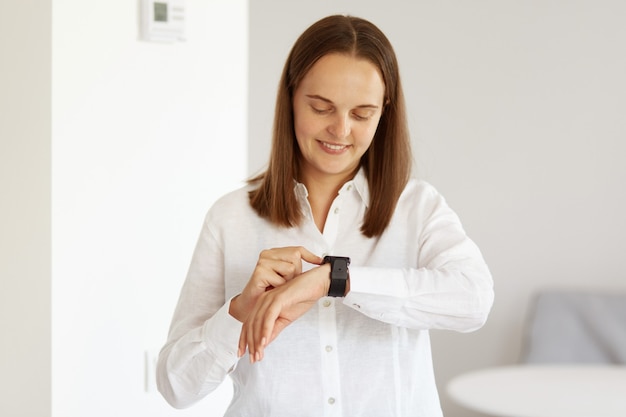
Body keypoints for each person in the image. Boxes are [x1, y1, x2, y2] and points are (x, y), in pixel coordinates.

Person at [157, 14, 494, 417]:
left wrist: (334, 281)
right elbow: (176, 387)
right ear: (291, 99)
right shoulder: (231, 218)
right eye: (321, 108)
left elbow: (473, 299)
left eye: (362, 114)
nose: (340, 129)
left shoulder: (417, 207)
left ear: (384, 113)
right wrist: (238, 314)